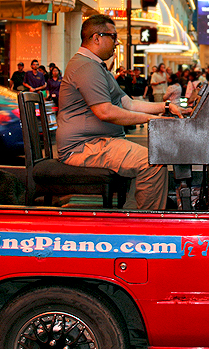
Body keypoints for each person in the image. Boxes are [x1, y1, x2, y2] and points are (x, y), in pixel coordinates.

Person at [57, 15, 184, 210]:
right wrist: (153, 120)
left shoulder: (97, 67)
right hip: (83, 147)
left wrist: (166, 107)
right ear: (96, 38)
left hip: (99, 143)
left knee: (152, 160)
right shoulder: (86, 67)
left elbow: (129, 104)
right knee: (153, 163)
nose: (117, 42)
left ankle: (132, 215)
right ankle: (145, 222)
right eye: (113, 36)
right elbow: (105, 112)